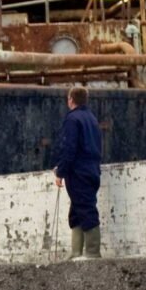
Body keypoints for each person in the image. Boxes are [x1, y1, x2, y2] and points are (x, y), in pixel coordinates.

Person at [53, 85, 103, 259]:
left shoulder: (72, 120)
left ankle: (92, 252)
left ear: (71, 100)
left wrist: (60, 171)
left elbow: (69, 148)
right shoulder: (92, 119)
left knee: (85, 209)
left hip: (78, 172)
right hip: (92, 170)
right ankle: (76, 253)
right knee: (77, 209)